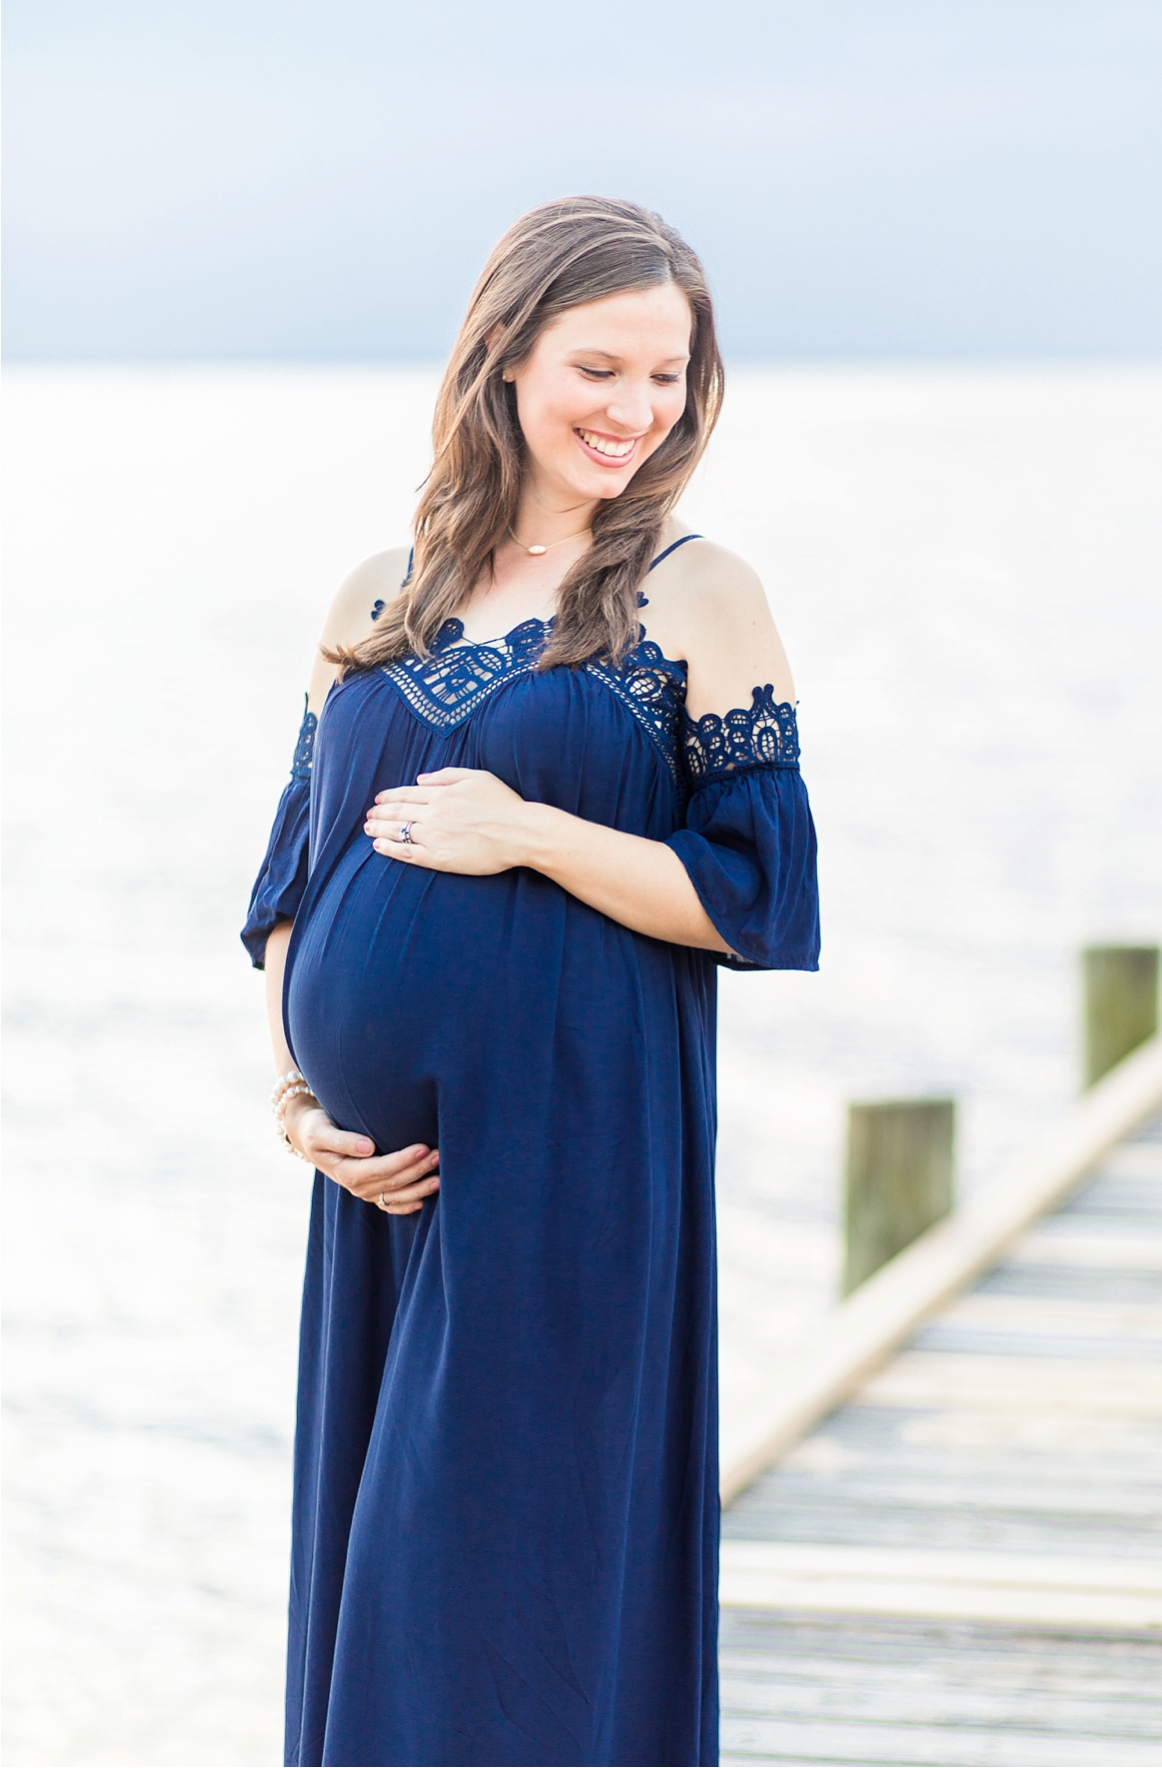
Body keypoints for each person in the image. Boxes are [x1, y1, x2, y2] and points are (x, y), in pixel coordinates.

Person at [243, 196, 819, 1768]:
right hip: (382, 1195)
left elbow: (758, 900)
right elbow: (293, 879)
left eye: (670, 375)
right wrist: (300, 1099)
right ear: (503, 358)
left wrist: (532, 832)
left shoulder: (697, 594)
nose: (638, 409)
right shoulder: (376, 596)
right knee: (381, 1597)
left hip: (570, 1162)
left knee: (502, 1594)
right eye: (602, 366)